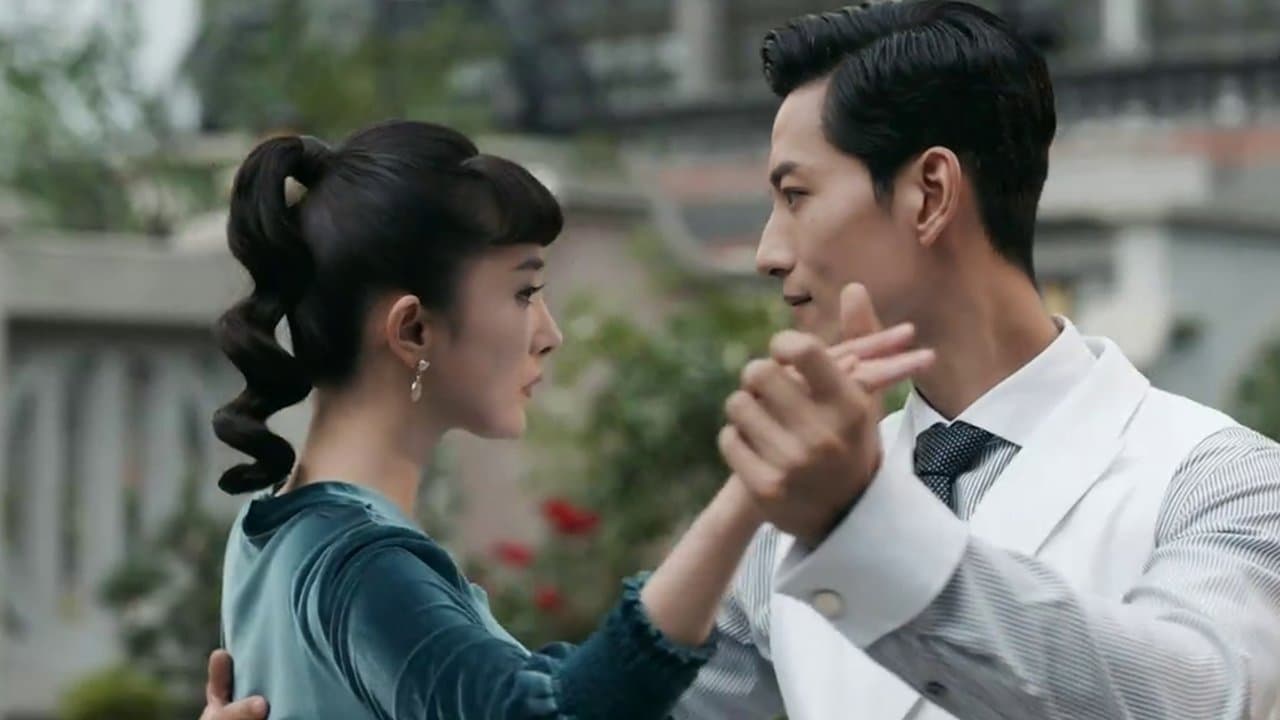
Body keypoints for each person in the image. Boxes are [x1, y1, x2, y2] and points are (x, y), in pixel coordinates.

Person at [204, 2, 1280, 718]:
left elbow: (1193, 698)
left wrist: (860, 521)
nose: (765, 251)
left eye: (795, 195)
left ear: (929, 194)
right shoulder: (787, 522)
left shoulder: (1220, 481)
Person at [203, 119, 932, 720]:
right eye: (524, 293)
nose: (549, 333)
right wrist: (752, 489)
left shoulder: (274, 531)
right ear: (413, 330)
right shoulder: (360, 565)